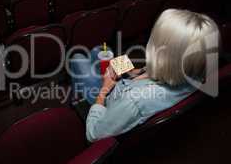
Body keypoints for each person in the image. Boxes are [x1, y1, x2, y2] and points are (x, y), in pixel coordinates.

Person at [69, 9, 220, 142]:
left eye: (154, 39)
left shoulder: (134, 101)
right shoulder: (195, 72)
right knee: (100, 50)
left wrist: (103, 90)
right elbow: (160, 72)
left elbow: (93, 134)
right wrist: (132, 70)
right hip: (127, 86)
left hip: (107, 101)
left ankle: (80, 101)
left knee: (77, 59)